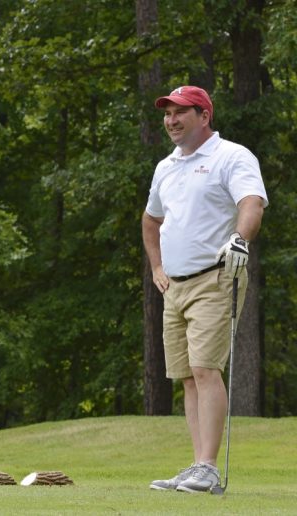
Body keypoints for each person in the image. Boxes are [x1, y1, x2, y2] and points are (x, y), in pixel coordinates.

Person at [142, 86, 268, 494]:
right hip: (174, 286)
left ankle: (209, 467)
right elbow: (150, 221)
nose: (171, 121)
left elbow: (252, 202)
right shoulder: (166, 166)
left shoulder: (231, 156)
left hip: (215, 278)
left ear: (204, 116)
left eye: (180, 113)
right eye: (167, 114)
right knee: (187, 377)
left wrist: (240, 239)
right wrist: (157, 267)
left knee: (204, 369)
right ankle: (198, 464)